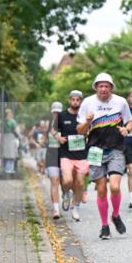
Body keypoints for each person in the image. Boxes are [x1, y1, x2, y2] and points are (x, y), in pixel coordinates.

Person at [77, 72, 132, 240]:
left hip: (116, 149)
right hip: (95, 151)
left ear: (111, 88)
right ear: (95, 87)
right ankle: (104, 226)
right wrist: (87, 122)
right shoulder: (87, 102)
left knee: (115, 187)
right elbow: (79, 130)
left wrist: (127, 129)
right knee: (101, 189)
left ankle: (115, 215)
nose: (103, 89)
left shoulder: (121, 102)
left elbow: (130, 121)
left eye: (106, 86)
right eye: (100, 86)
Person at [55, 90, 89, 221]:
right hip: (66, 153)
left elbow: (91, 130)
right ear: (69, 100)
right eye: (73, 99)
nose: (75, 102)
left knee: (79, 183)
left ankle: (76, 208)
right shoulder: (62, 115)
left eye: (78, 100)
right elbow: (53, 129)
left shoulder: (85, 116)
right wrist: (58, 136)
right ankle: (65, 193)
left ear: (81, 101)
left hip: (81, 154)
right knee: (68, 180)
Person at [46, 102, 64, 218]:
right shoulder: (49, 124)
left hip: (64, 154)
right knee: (54, 181)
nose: (56, 113)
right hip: (52, 153)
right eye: (54, 111)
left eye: (58, 111)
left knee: (65, 182)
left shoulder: (66, 123)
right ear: (52, 112)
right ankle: (56, 209)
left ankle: (67, 194)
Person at [1, 108, 20, 175]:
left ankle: (4, 169)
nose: (12, 114)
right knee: (11, 154)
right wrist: (18, 136)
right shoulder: (12, 121)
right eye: (11, 113)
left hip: (4, 138)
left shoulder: (3, 122)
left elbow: (1, 131)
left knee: (5, 154)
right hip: (11, 138)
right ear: (9, 114)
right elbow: (16, 131)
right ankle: (9, 169)